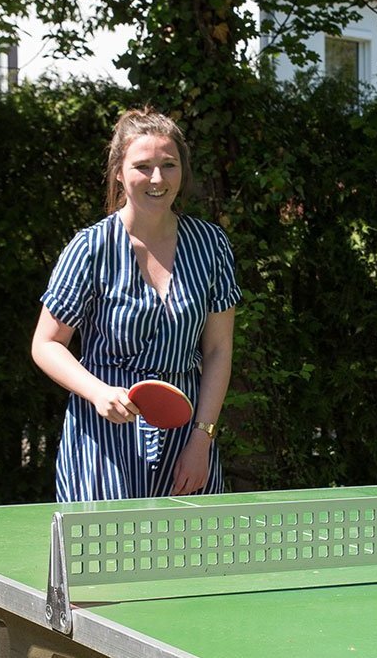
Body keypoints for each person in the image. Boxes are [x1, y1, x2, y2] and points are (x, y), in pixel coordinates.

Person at [31, 108, 240, 501]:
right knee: (102, 561)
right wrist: (97, 392)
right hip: (102, 442)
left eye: (168, 165)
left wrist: (202, 439)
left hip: (186, 439)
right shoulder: (91, 248)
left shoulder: (211, 246)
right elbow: (46, 343)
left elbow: (217, 349)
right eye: (143, 166)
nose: (157, 178)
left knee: (191, 560)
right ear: (119, 172)